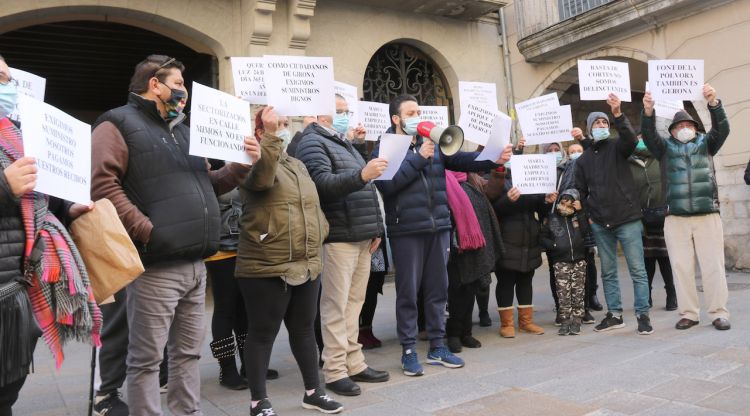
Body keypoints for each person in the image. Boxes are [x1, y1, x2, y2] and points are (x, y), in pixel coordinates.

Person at [90, 54, 258, 416]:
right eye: (179, 84)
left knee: (187, 354)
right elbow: (103, 185)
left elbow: (207, 185)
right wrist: (148, 230)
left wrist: (239, 167)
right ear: (155, 85)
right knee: (148, 360)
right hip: (156, 266)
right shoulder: (117, 124)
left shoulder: (183, 130)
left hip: (196, 265)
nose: (184, 92)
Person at [373, 94, 512, 376]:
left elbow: (460, 159)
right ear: (396, 119)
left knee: (439, 291)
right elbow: (388, 187)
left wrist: (491, 158)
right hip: (407, 229)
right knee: (409, 294)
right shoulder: (386, 146)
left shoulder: (434, 144)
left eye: (419, 110)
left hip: (438, 226)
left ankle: (438, 346)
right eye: (411, 112)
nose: (417, 116)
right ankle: (409, 350)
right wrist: (418, 159)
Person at [0, 56, 101, 416]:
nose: (8, 87)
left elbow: (34, 209)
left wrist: (65, 212)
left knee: (7, 394)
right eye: (0, 78)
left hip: (15, 296)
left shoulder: (16, 137)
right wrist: (2, 185)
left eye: (8, 79)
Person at [236, 106, 343, 416]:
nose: (281, 129)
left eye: (283, 124)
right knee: (262, 333)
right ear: (259, 132)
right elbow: (262, 182)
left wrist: (321, 229)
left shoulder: (296, 164)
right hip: (267, 264)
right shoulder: (246, 161)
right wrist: (268, 139)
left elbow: (310, 204)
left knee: (304, 330)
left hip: (306, 263)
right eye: (274, 125)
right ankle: (259, 403)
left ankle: (314, 392)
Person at [296, 94, 390, 396]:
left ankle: (355, 362)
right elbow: (321, 184)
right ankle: (335, 370)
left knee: (353, 304)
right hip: (338, 236)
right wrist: (362, 172)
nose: (345, 116)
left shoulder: (342, 141)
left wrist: (375, 228)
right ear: (319, 114)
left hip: (361, 235)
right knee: (336, 306)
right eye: (339, 111)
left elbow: (365, 190)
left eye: (346, 110)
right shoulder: (312, 142)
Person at [641, 84, 731, 331]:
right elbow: (648, 136)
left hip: (707, 214)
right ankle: (689, 313)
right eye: (678, 126)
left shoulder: (707, 144)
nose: (683, 129)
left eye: (688, 125)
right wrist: (648, 112)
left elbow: (722, 128)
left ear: (695, 127)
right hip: (676, 217)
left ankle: (718, 313)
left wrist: (714, 103)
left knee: (713, 265)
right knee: (681, 267)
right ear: (672, 131)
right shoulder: (665, 149)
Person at [575, 93, 653, 335]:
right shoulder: (583, 160)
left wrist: (617, 114)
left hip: (627, 218)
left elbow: (631, 139)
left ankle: (643, 314)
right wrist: (588, 217)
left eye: (604, 123)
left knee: (637, 269)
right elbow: (580, 190)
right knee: (608, 271)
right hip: (600, 222)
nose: (601, 126)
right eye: (597, 123)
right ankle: (615, 314)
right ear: (589, 129)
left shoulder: (618, 146)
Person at [491, 159, 556, 338]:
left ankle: (526, 322)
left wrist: (546, 201)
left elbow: (539, 208)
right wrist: (508, 200)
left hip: (529, 239)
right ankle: (507, 324)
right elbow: (493, 208)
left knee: (526, 280)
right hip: (507, 239)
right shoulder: (498, 180)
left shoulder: (531, 179)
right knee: (505, 282)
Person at [445, 171, 504, 353]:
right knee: (455, 292)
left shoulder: (471, 179)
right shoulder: (442, 180)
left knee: (470, 289)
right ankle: (453, 334)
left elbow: (492, 191)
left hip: (473, 246)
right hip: (452, 247)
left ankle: (466, 333)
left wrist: (499, 169)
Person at [627, 136, 677, 311]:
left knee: (666, 258)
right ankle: (646, 296)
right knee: (647, 259)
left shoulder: (659, 157)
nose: (641, 142)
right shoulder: (628, 162)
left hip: (663, 214)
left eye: (643, 138)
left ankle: (672, 295)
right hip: (642, 218)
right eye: (638, 139)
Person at [559, 140, 602, 317]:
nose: (576, 153)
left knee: (588, 261)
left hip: (586, 218)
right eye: (572, 151)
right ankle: (572, 303)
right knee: (572, 263)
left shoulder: (591, 168)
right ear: (568, 155)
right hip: (567, 219)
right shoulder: (562, 171)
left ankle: (591, 295)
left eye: (579, 150)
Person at [541, 189, 592, 336]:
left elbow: (585, 231)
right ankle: (564, 321)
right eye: (563, 201)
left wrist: (580, 212)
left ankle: (577, 320)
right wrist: (554, 246)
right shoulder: (553, 218)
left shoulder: (577, 217)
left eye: (570, 202)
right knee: (563, 293)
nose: (566, 205)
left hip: (579, 260)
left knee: (578, 292)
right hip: (560, 261)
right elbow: (543, 237)